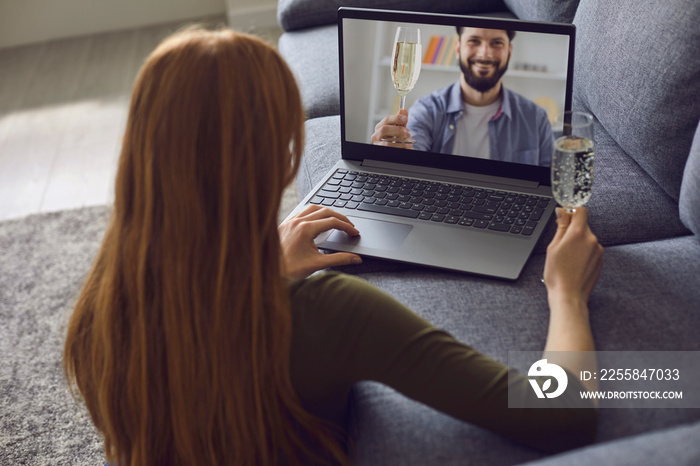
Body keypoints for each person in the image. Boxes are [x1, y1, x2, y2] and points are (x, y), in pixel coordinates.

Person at [63, 27, 603, 466]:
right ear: (278, 161)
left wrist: (268, 275)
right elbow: (559, 414)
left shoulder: (97, 311)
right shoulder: (328, 313)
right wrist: (566, 292)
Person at [372, 27, 554, 166]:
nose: (485, 54)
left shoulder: (536, 118)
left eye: (497, 43)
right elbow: (409, 158)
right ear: (458, 48)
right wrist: (393, 154)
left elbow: (551, 185)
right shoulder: (426, 110)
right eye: (474, 41)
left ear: (509, 52)